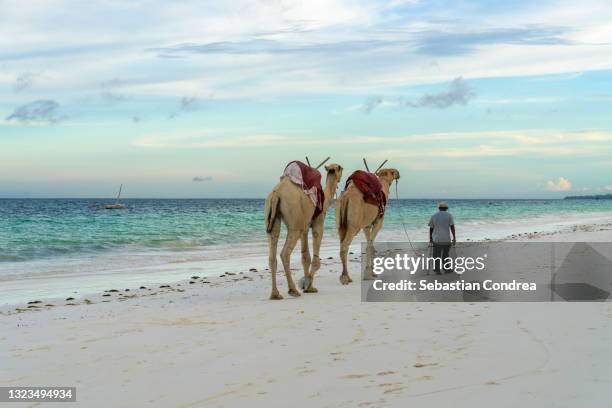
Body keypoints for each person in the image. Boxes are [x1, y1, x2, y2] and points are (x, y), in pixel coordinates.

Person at [428, 202, 456, 274]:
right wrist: (454, 237)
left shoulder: (434, 215)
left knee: (436, 255)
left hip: (437, 239)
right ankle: (446, 269)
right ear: (446, 208)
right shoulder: (449, 215)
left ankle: (437, 270)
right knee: (445, 255)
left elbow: (431, 228)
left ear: (439, 208)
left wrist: (430, 238)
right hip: (446, 239)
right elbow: (452, 228)